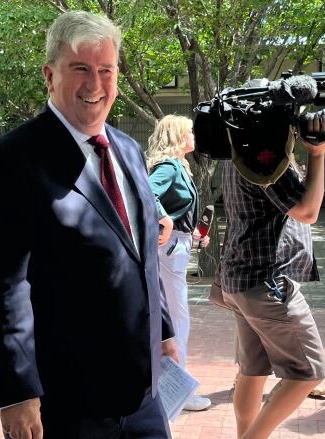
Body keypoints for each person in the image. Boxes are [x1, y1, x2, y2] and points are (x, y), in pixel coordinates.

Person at [0, 11, 178, 439]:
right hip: (66, 401)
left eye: (106, 70)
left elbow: (140, 252)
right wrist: (15, 393)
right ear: (50, 75)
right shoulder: (12, 160)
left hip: (143, 393)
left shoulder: (128, 149)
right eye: (80, 68)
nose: (95, 85)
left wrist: (165, 330)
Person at [218, 114, 325, 439]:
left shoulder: (237, 151)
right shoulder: (264, 157)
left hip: (241, 278)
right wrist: (318, 153)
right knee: (308, 372)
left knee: (253, 370)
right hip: (266, 281)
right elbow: (308, 211)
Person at [145, 115, 211, 412]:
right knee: (176, 321)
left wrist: (191, 229)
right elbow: (145, 191)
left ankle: (168, 388)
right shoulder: (169, 167)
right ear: (177, 136)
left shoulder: (178, 166)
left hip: (176, 247)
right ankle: (177, 392)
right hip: (169, 250)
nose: (194, 135)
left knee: (174, 320)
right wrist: (166, 219)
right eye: (190, 131)